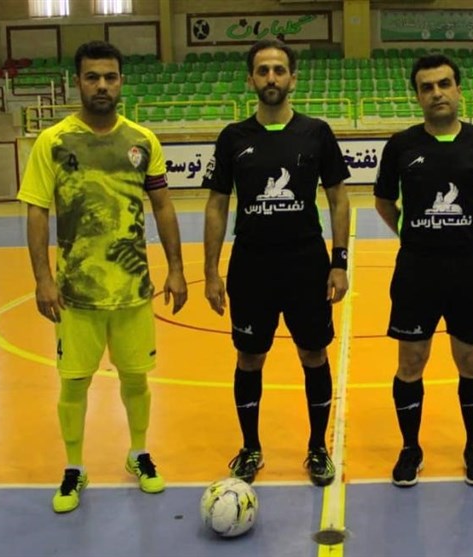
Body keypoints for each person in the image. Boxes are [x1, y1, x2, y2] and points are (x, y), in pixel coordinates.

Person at [18, 40, 188, 513]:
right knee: (74, 382)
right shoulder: (53, 142)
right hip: (75, 292)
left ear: (121, 82)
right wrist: (42, 279)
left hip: (133, 288)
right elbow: (36, 212)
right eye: (92, 77)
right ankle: (74, 466)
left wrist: (176, 269)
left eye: (110, 77)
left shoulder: (143, 140)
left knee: (136, 378)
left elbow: (163, 206)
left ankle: (139, 453)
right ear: (78, 81)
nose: (102, 86)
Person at [202, 39, 350, 487]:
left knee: (313, 354)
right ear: (251, 79)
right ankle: (250, 448)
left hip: (306, 265)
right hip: (251, 267)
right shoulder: (233, 137)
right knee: (249, 357)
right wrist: (211, 271)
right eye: (263, 70)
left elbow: (339, 199)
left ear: (293, 79)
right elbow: (216, 206)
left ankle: (318, 447)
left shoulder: (316, 133)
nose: (271, 78)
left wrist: (339, 262)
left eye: (279, 70)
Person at [374, 54, 473, 487]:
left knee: (470, 361)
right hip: (416, 269)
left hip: (469, 269)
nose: (437, 93)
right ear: (417, 96)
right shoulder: (401, 146)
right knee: (411, 361)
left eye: (444, 84)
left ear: (458, 89)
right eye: (427, 87)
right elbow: (383, 202)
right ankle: (410, 448)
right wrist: (412, 232)